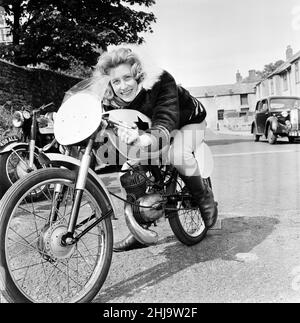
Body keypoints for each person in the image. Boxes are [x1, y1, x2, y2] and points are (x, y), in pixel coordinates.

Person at [93, 46, 218, 252]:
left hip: (186, 121)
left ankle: (204, 197)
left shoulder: (161, 81)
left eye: (127, 78)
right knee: (129, 172)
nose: (123, 86)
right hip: (148, 131)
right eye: (116, 81)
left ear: (138, 75)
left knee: (178, 154)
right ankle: (140, 230)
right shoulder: (110, 100)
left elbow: (165, 121)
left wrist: (144, 139)